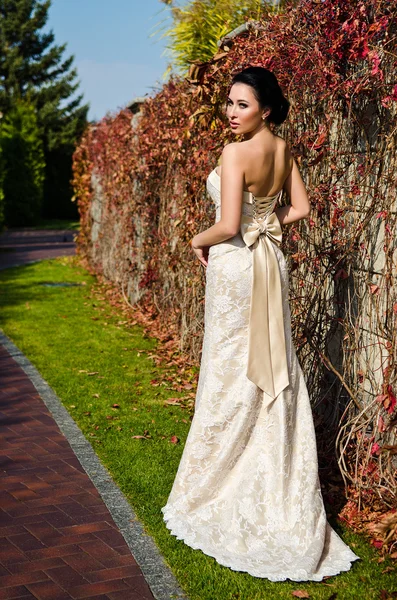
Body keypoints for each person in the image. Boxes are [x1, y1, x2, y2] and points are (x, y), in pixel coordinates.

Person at [161, 66, 359, 581]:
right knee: (270, 363)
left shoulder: (234, 153)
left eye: (241, 104)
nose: (230, 111)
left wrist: (195, 241)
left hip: (237, 266)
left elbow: (227, 226)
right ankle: (269, 473)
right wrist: (266, 225)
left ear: (265, 108)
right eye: (228, 103)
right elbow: (303, 208)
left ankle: (218, 481)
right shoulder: (284, 148)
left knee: (229, 370)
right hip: (271, 263)